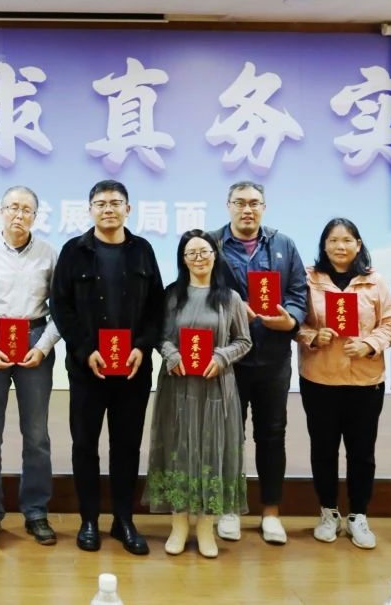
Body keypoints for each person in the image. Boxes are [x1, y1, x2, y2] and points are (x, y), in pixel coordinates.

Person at [50, 179, 164, 556]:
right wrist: (85, 350)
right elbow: (61, 306)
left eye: (116, 203)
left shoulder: (142, 250)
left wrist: (142, 347)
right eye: (100, 203)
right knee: (85, 445)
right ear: (90, 210)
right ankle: (88, 520)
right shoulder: (74, 251)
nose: (108, 209)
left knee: (126, 445)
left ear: (128, 209)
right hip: (88, 370)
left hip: (132, 370)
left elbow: (156, 307)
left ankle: (123, 520)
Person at [146, 230, 251, 559]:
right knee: (178, 448)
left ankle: (206, 527)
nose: (199, 258)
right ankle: (178, 524)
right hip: (177, 385)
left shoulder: (230, 298)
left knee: (211, 451)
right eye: (191, 253)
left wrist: (221, 357)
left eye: (204, 252)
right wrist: (171, 354)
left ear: (215, 256)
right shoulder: (172, 295)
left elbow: (243, 341)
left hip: (215, 388)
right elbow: (160, 335)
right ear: (183, 259)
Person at [213, 181, 306, 545]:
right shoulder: (212, 244)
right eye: (240, 202)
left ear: (264, 207)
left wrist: (291, 319)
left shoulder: (283, 245)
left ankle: (271, 512)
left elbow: (298, 292)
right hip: (228, 358)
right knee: (228, 435)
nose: (247, 209)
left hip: (273, 357)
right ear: (228, 205)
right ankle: (229, 508)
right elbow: (196, 290)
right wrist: (229, 306)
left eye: (254, 203)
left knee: (271, 434)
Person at [0, 185, 60, 547]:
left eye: (26, 210)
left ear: (35, 216)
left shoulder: (49, 253)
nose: (19, 215)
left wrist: (44, 346)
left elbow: (61, 308)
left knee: (36, 436)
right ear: (1, 212)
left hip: (35, 341)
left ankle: (36, 511)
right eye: (13, 208)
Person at [297, 217, 391, 550]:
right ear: (324, 245)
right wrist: (313, 336)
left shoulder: (374, 281)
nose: (340, 246)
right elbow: (294, 322)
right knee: (323, 449)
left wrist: (369, 344)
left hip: (365, 382)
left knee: (362, 452)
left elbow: (390, 324)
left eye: (347, 240)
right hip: (319, 379)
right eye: (333, 240)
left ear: (358, 245)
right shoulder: (308, 279)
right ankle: (328, 512)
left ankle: (358, 515)